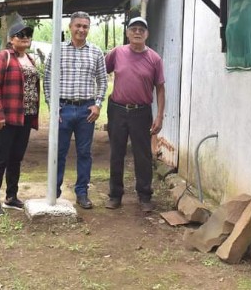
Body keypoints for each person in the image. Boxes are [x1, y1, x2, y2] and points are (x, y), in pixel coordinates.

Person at [44, 11, 107, 209]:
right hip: (62, 109)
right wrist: (52, 107)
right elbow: (47, 79)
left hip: (86, 111)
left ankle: (82, 193)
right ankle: (54, 192)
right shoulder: (57, 49)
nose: (81, 29)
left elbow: (103, 81)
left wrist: (97, 104)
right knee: (58, 152)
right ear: (70, 27)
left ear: (88, 29)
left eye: (85, 26)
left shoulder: (96, 52)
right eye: (77, 25)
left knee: (84, 153)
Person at [104, 16, 165, 213]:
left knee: (143, 155)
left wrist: (160, 116)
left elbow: (160, 88)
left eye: (141, 29)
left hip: (141, 112)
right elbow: (100, 72)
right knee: (117, 153)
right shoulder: (117, 53)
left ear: (147, 34)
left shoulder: (154, 58)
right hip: (117, 110)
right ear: (127, 32)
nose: (137, 32)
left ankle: (145, 196)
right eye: (133, 29)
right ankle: (115, 196)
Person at [0, 15, 40, 217]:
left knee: (16, 158)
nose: (25, 37)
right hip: (6, 117)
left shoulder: (30, 59)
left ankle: (11, 196)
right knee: (1, 158)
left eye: (28, 34)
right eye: (21, 34)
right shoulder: (4, 56)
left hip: (25, 116)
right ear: (11, 39)